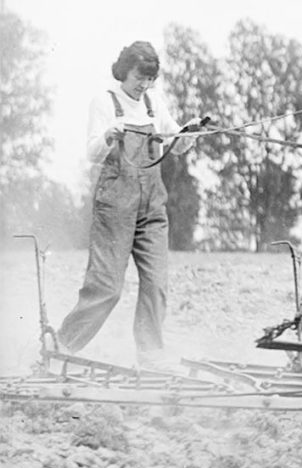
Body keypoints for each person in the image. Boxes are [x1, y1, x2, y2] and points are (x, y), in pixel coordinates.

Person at [57, 41, 197, 370]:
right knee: (107, 288)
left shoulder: (154, 103)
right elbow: (92, 154)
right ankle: (62, 344)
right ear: (124, 71)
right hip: (116, 207)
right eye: (139, 77)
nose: (144, 85)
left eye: (150, 79)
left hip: (152, 208)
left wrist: (188, 134)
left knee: (156, 283)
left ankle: (150, 355)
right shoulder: (104, 102)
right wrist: (109, 135)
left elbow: (175, 144)